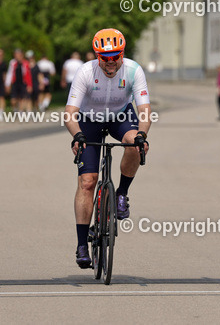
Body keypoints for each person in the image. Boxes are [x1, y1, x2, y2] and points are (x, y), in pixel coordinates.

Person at [66, 28, 151, 268]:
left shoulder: (133, 70)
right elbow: (70, 113)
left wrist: (142, 135)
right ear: (97, 56)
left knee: (135, 144)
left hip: (120, 117)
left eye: (116, 56)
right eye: (105, 57)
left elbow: (144, 110)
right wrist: (77, 135)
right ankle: (82, 245)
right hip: (89, 120)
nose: (111, 62)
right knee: (87, 181)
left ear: (122, 54)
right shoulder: (85, 72)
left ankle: (121, 193)